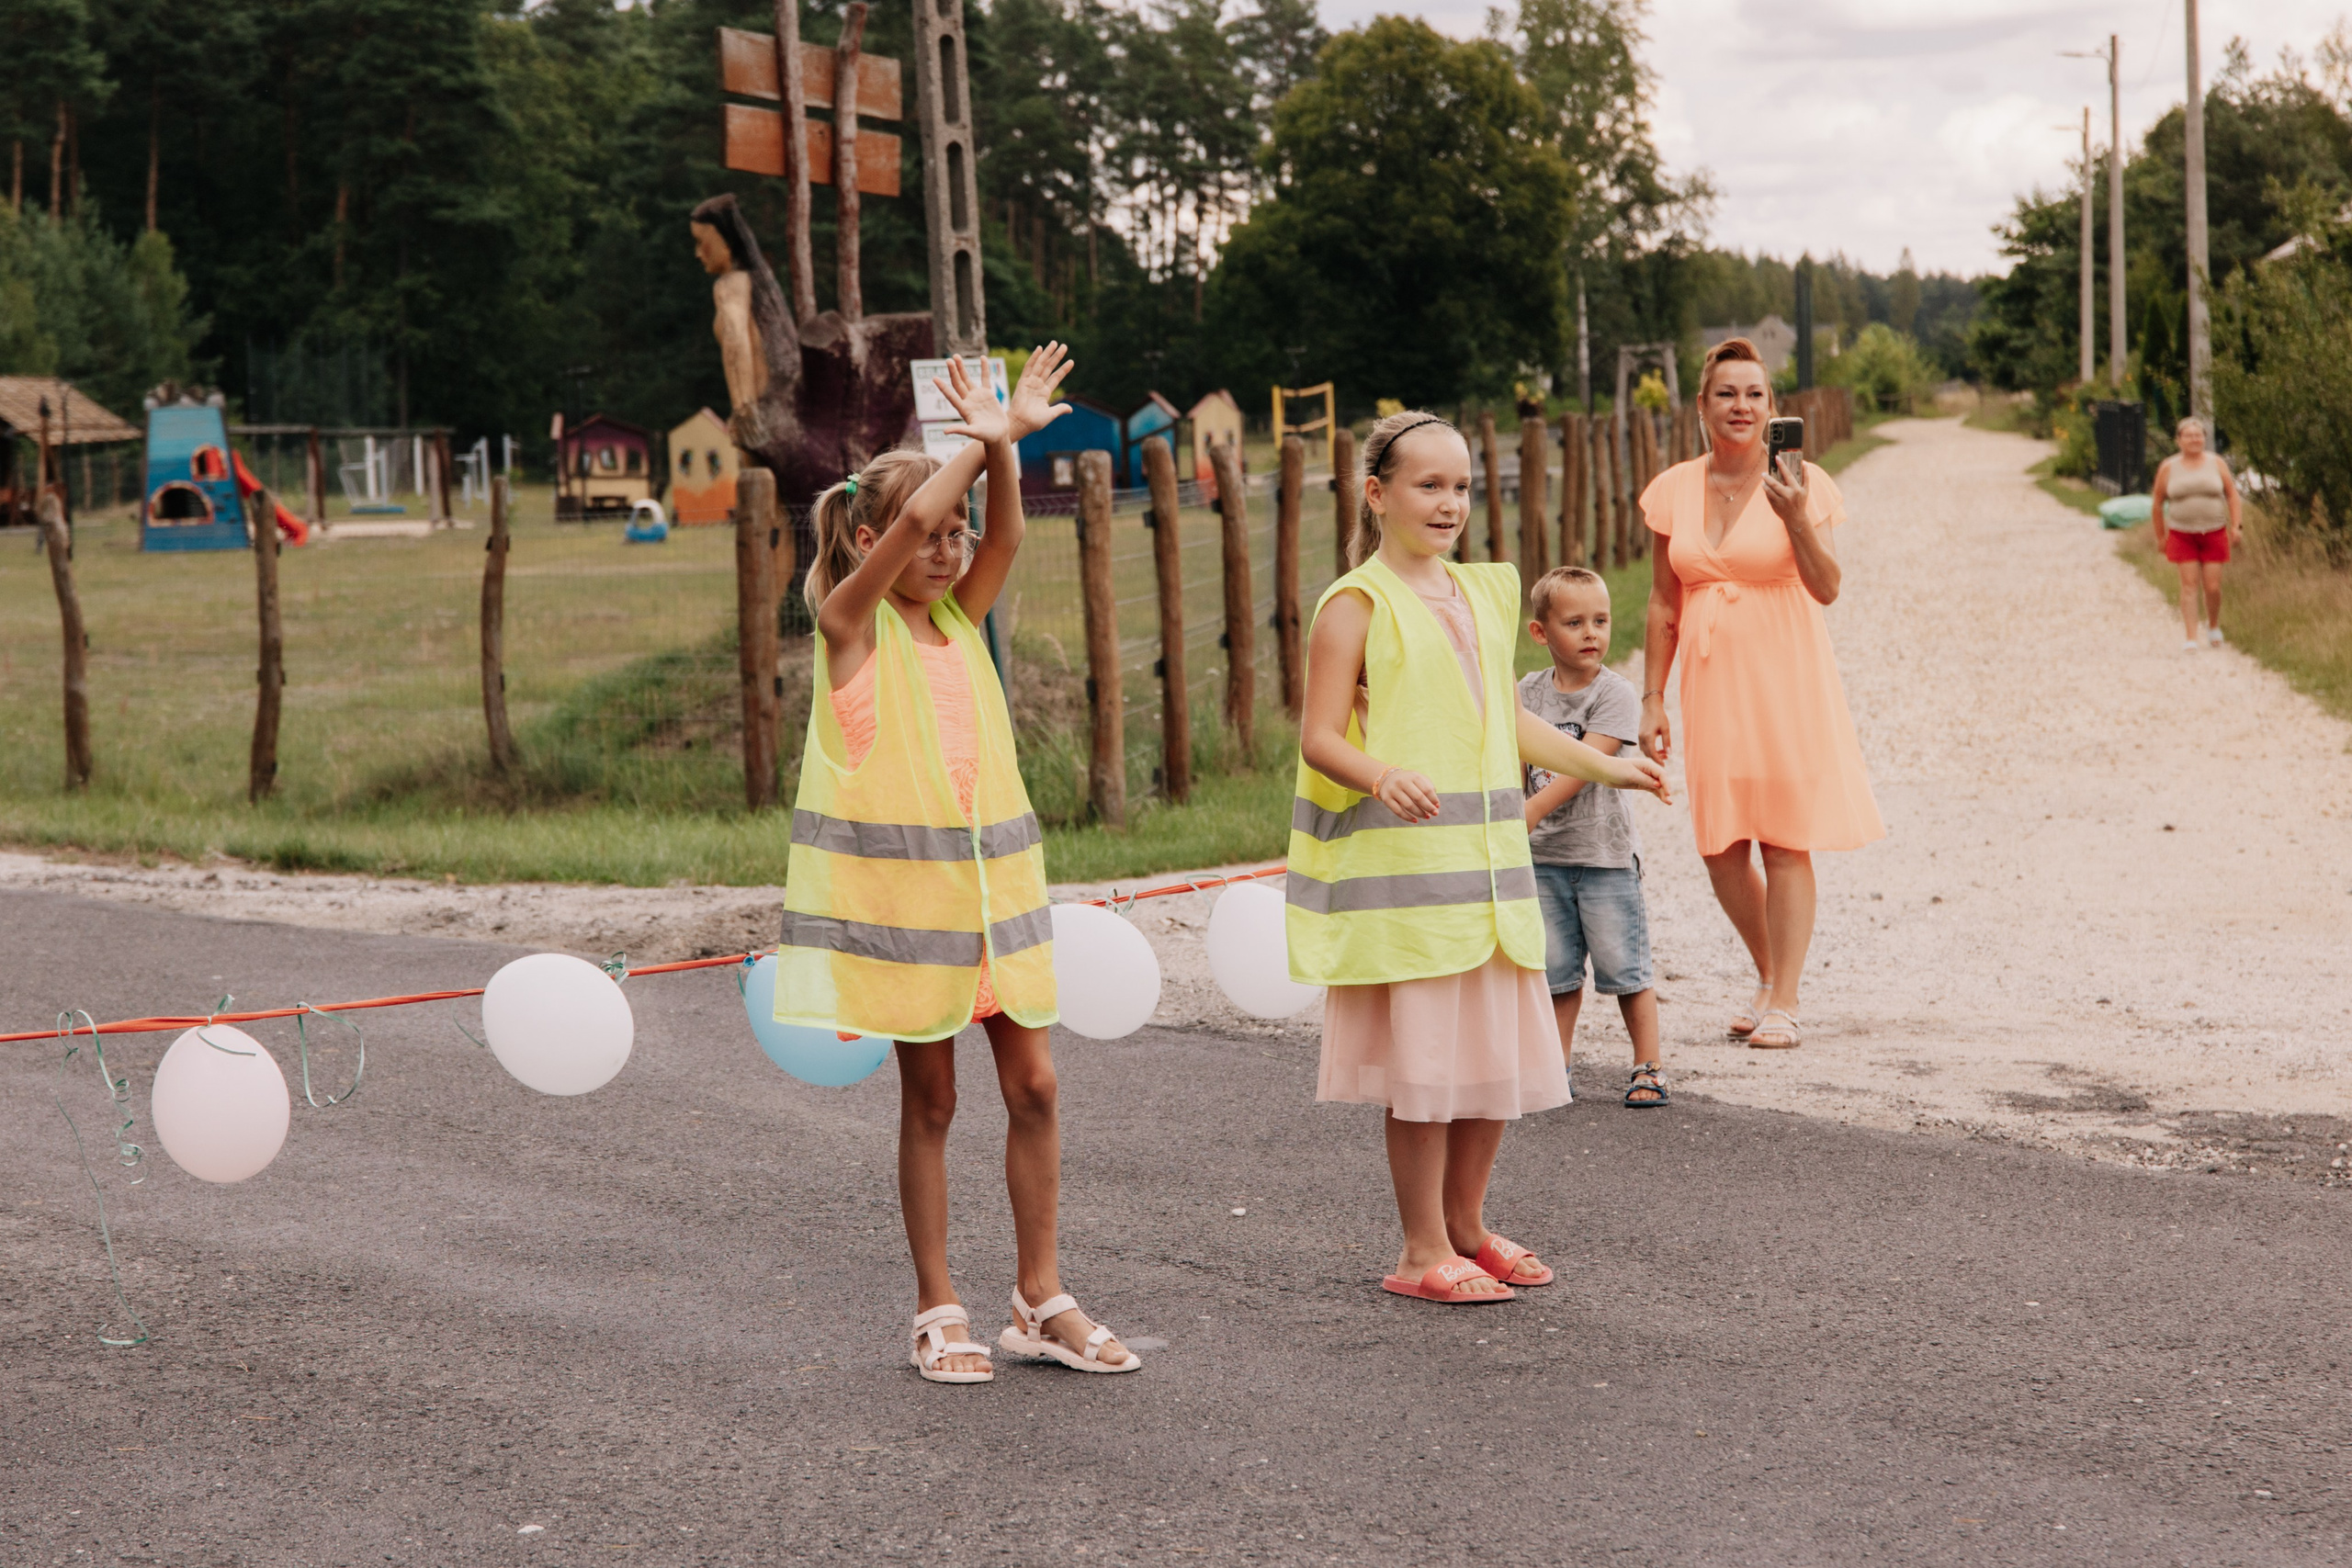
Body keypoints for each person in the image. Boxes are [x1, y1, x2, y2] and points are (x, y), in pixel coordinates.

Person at [775, 345, 1140, 1383]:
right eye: (930, 536)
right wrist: (974, 447)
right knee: (930, 1105)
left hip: (998, 913)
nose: (948, 551)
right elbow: (900, 534)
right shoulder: (848, 629)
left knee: (1036, 1086)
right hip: (912, 924)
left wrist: (1003, 458)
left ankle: (1040, 1295)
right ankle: (938, 1305)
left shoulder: (958, 624)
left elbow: (1009, 532)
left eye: (956, 534)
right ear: (872, 542)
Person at [1292, 411, 1670, 1305]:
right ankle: (1420, 1251)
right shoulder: (1356, 602)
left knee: (1489, 1061)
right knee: (1425, 1071)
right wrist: (1380, 772)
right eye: (1428, 485)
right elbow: (1316, 737)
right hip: (1413, 887)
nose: (1450, 503)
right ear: (1378, 494)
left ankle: (1468, 1225)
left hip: (1495, 880)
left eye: (1462, 486)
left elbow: (1507, 722)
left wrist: (1607, 765)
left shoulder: (1479, 594)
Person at [1637, 338, 1883, 1053]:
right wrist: (1652, 697)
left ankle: (1786, 999)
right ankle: (1771, 972)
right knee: (1720, 844)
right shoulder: (1672, 488)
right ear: (1703, 405)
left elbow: (1829, 587)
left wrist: (1797, 514)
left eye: (1755, 394)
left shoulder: (1807, 485)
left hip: (1785, 673)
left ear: (1773, 407)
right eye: (1726, 394)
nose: (1740, 406)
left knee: (1781, 836)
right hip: (1709, 682)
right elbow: (1661, 601)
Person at [1517, 566, 1665, 1108]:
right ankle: (1555, 1067)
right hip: (1543, 858)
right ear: (1541, 633)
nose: (1591, 634)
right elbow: (1513, 758)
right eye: (1575, 622)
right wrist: (1514, 811)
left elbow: (1587, 765)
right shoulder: (1526, 694)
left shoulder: (1616, 694)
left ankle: (1647, 1065)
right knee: (1555, 972)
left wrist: (1530, 810)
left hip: (1603, 857)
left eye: (1600, 620)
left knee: (1625, 967)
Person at [2149, 415, 2243, 652]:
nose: (2194, 439)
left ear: (2204, 438)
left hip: (2214, 530)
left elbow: (2232, 495)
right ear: (2178, 440)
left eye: (2198, 435)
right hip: (2182, 533)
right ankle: (2191, 636)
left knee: (2212, 586)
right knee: (2189, 585)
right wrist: (2161, 536)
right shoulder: (2169, 467)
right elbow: (2157, 503)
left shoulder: (2216, 463)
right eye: (2188, 435)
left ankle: (2213, 625)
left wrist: (2236, 526)